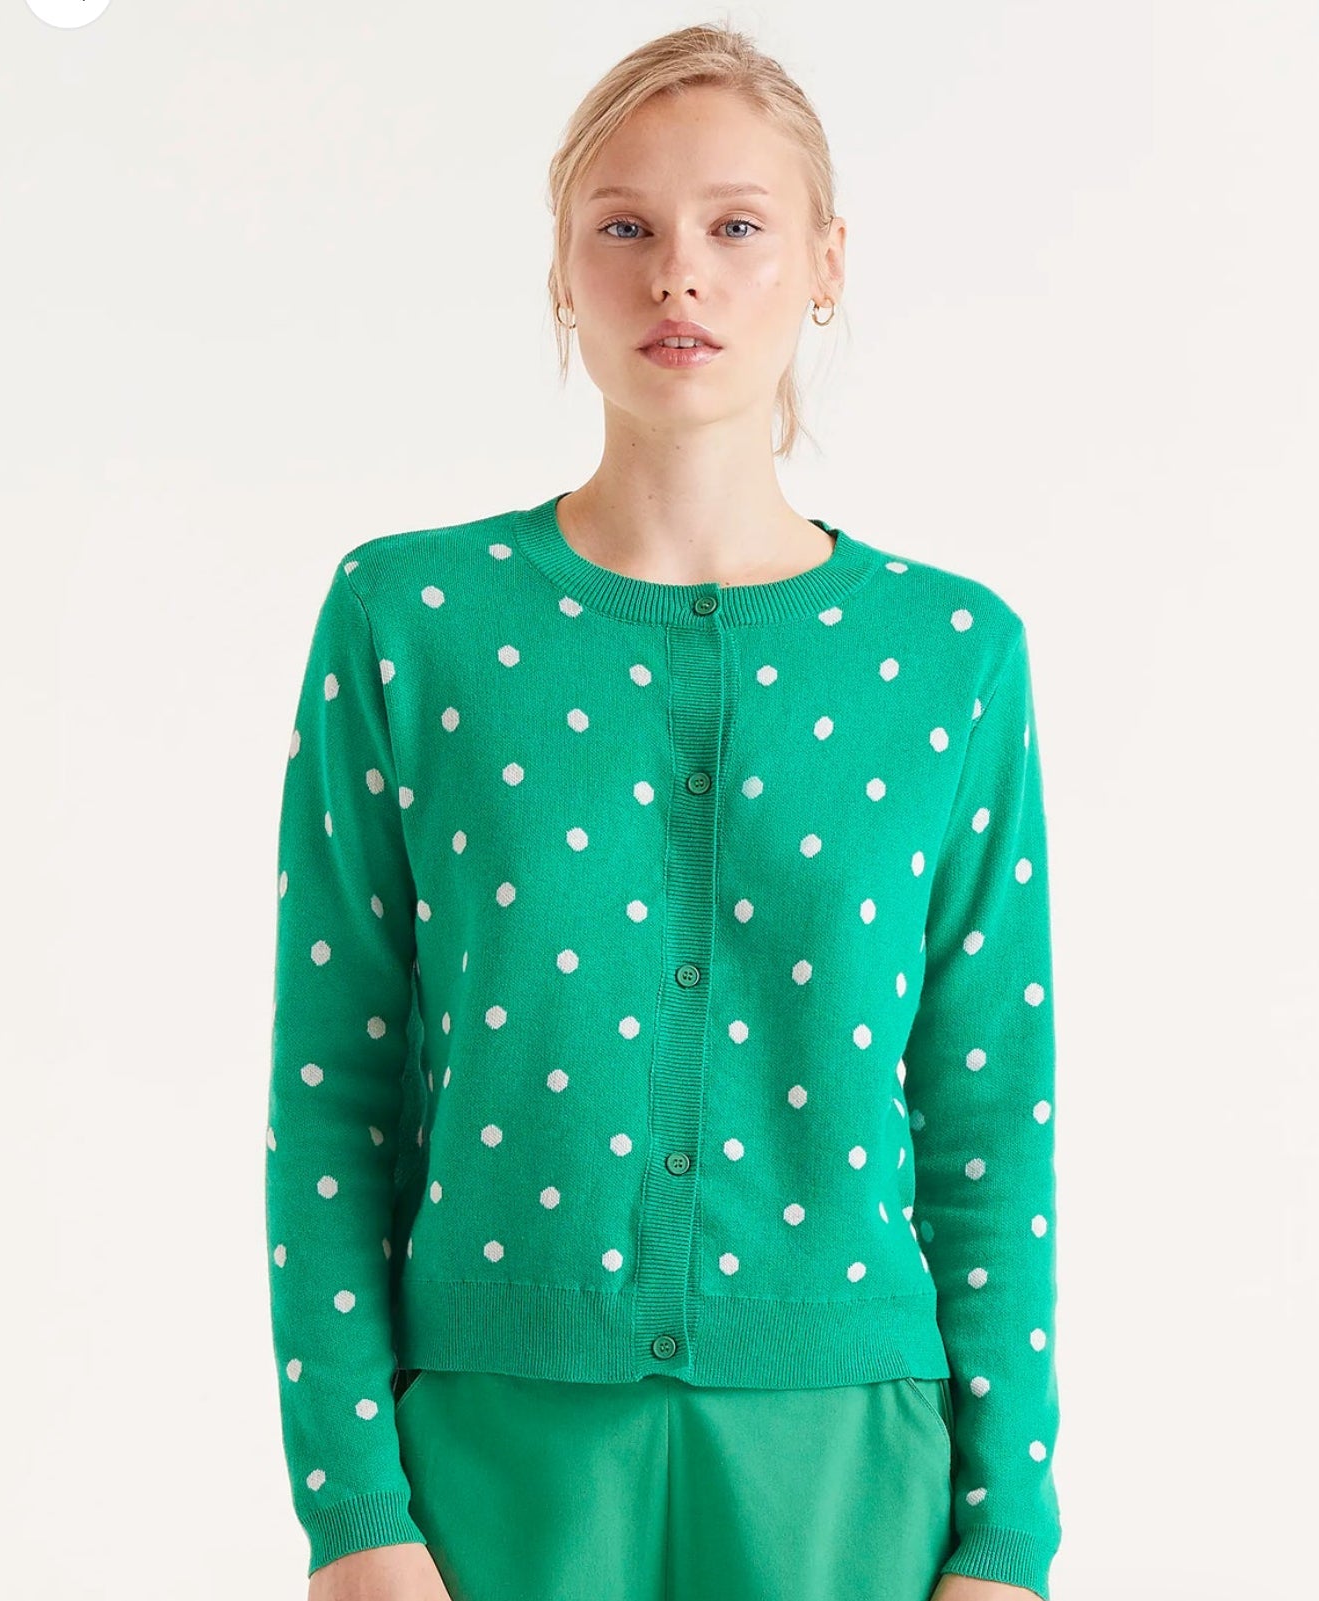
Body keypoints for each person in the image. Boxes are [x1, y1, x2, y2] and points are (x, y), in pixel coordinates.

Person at [264, 21, 1062, 1601]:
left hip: (847, 1460)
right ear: (564, 272)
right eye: (622, 226)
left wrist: (1008, 1541)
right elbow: (333, 1089)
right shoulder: (412, 622)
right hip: (493, 1450)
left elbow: (987, 1122)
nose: (677, 274)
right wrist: (352, 1512)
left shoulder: (950, 655)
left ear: (826, 263)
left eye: (736, 226)